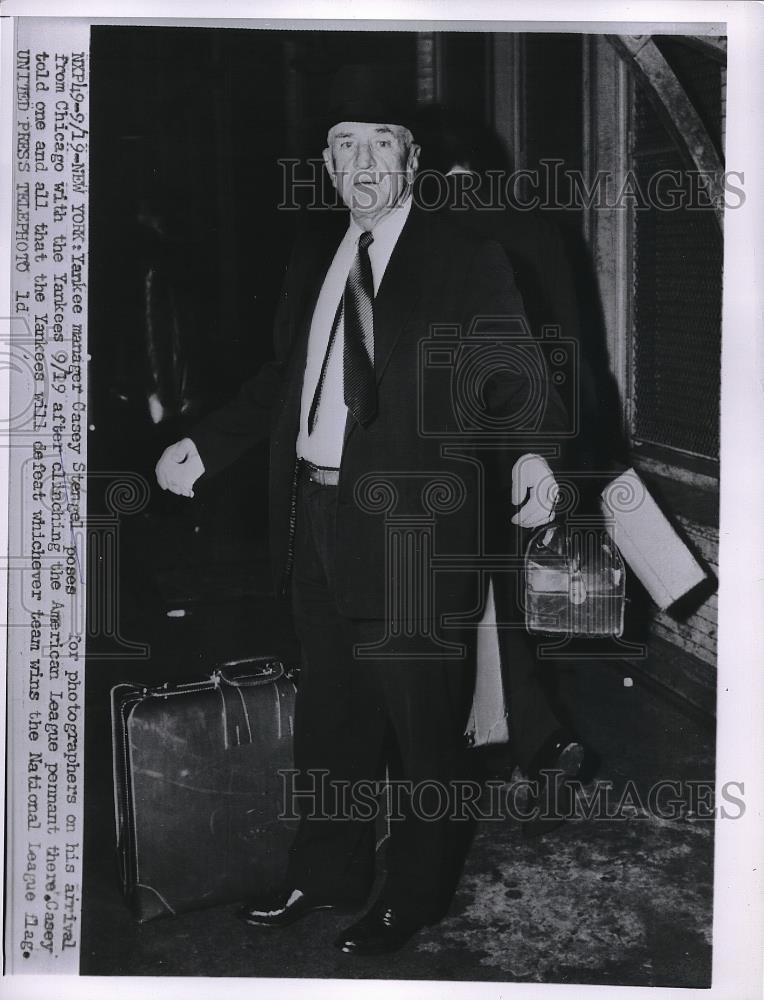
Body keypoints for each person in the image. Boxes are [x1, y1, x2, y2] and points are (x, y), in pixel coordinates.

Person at [156, 72, 577, 956]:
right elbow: (284, 381)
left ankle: (414, 894)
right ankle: (327, 868)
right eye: (343, 146)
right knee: (333, 713)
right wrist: (209, 444)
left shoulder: (465, 254)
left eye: (379, 142)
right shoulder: (317, 258)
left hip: (418, 527)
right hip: (316, 516)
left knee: (425, 722)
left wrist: (537, 454)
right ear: (327, 166)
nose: (361, 163)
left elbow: (515, 371)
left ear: (412, 159)